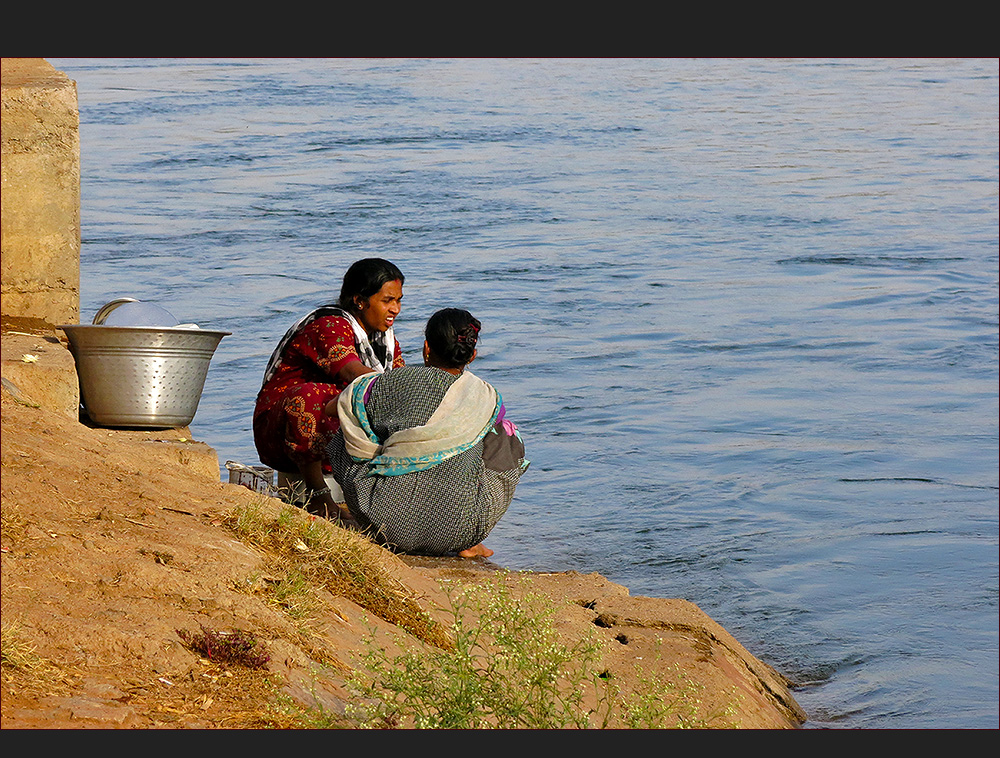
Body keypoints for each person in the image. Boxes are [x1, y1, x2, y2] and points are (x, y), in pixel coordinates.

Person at [328, 308, 528, 558]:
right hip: (460, 531)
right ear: (472, 356)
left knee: (348, 425)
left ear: (426, 348)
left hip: (381, 522)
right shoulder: (485, 397)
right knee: (507, 436)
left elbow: (333, 409)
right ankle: (471, 543)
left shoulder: (388, 382)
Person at [253, 258, 405, 521]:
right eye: (387, 300)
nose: (396, 309)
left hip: (332, 436)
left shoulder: (386, 343)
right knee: (314, 397)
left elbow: (397, 384)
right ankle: (318, 495)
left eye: (399, 301)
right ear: (359, 301)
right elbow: (352, 372)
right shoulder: (328, 325)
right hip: (280, 431)